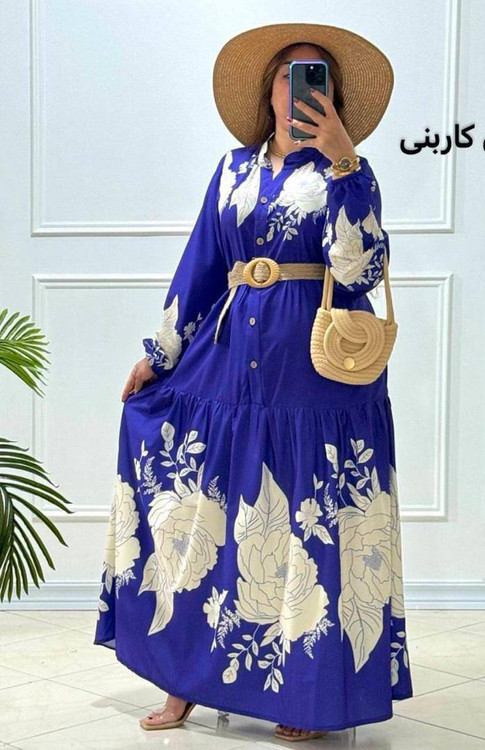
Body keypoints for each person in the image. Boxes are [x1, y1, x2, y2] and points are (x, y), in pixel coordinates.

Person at [93, 21, 413, 743]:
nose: (302, 89)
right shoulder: (232, 169)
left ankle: (306, 695)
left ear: (333, 96)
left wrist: (344, 163)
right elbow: (202, 264)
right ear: (268, 92)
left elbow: (360, 270)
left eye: (317, 77)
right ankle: (182, 679)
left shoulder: (350, 173)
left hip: (315, 376)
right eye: (290, 76)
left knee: (306, 526)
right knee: (198, 513)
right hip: (227, 358)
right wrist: (160, 354)